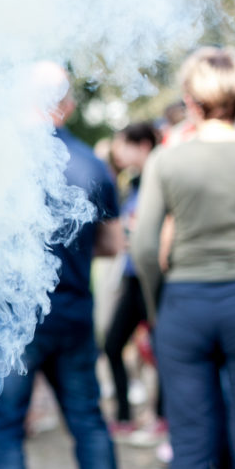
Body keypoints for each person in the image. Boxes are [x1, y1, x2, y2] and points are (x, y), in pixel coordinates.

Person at [0, 61, 125, 469]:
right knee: (87, 423)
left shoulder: (4, 160)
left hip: (11, 320)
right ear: (65, 104)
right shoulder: (90, 162)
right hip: (74, 314)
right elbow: (112, 241)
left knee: (4, 432)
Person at [131, 45, 235, 469]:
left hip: (185, 304)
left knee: (190, 447)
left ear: (189, 100)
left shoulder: (168, 160)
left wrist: (161, 307)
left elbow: (141, 247)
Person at [101, 121, 160, 433]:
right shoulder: (134, 182)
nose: (117, 151)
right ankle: (125, 414)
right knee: (113, 344)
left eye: (124, 144)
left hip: (152, 277)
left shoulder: (160, 176)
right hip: (132, 274)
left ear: (143, 146)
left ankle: (161, 418)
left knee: (161, 349)